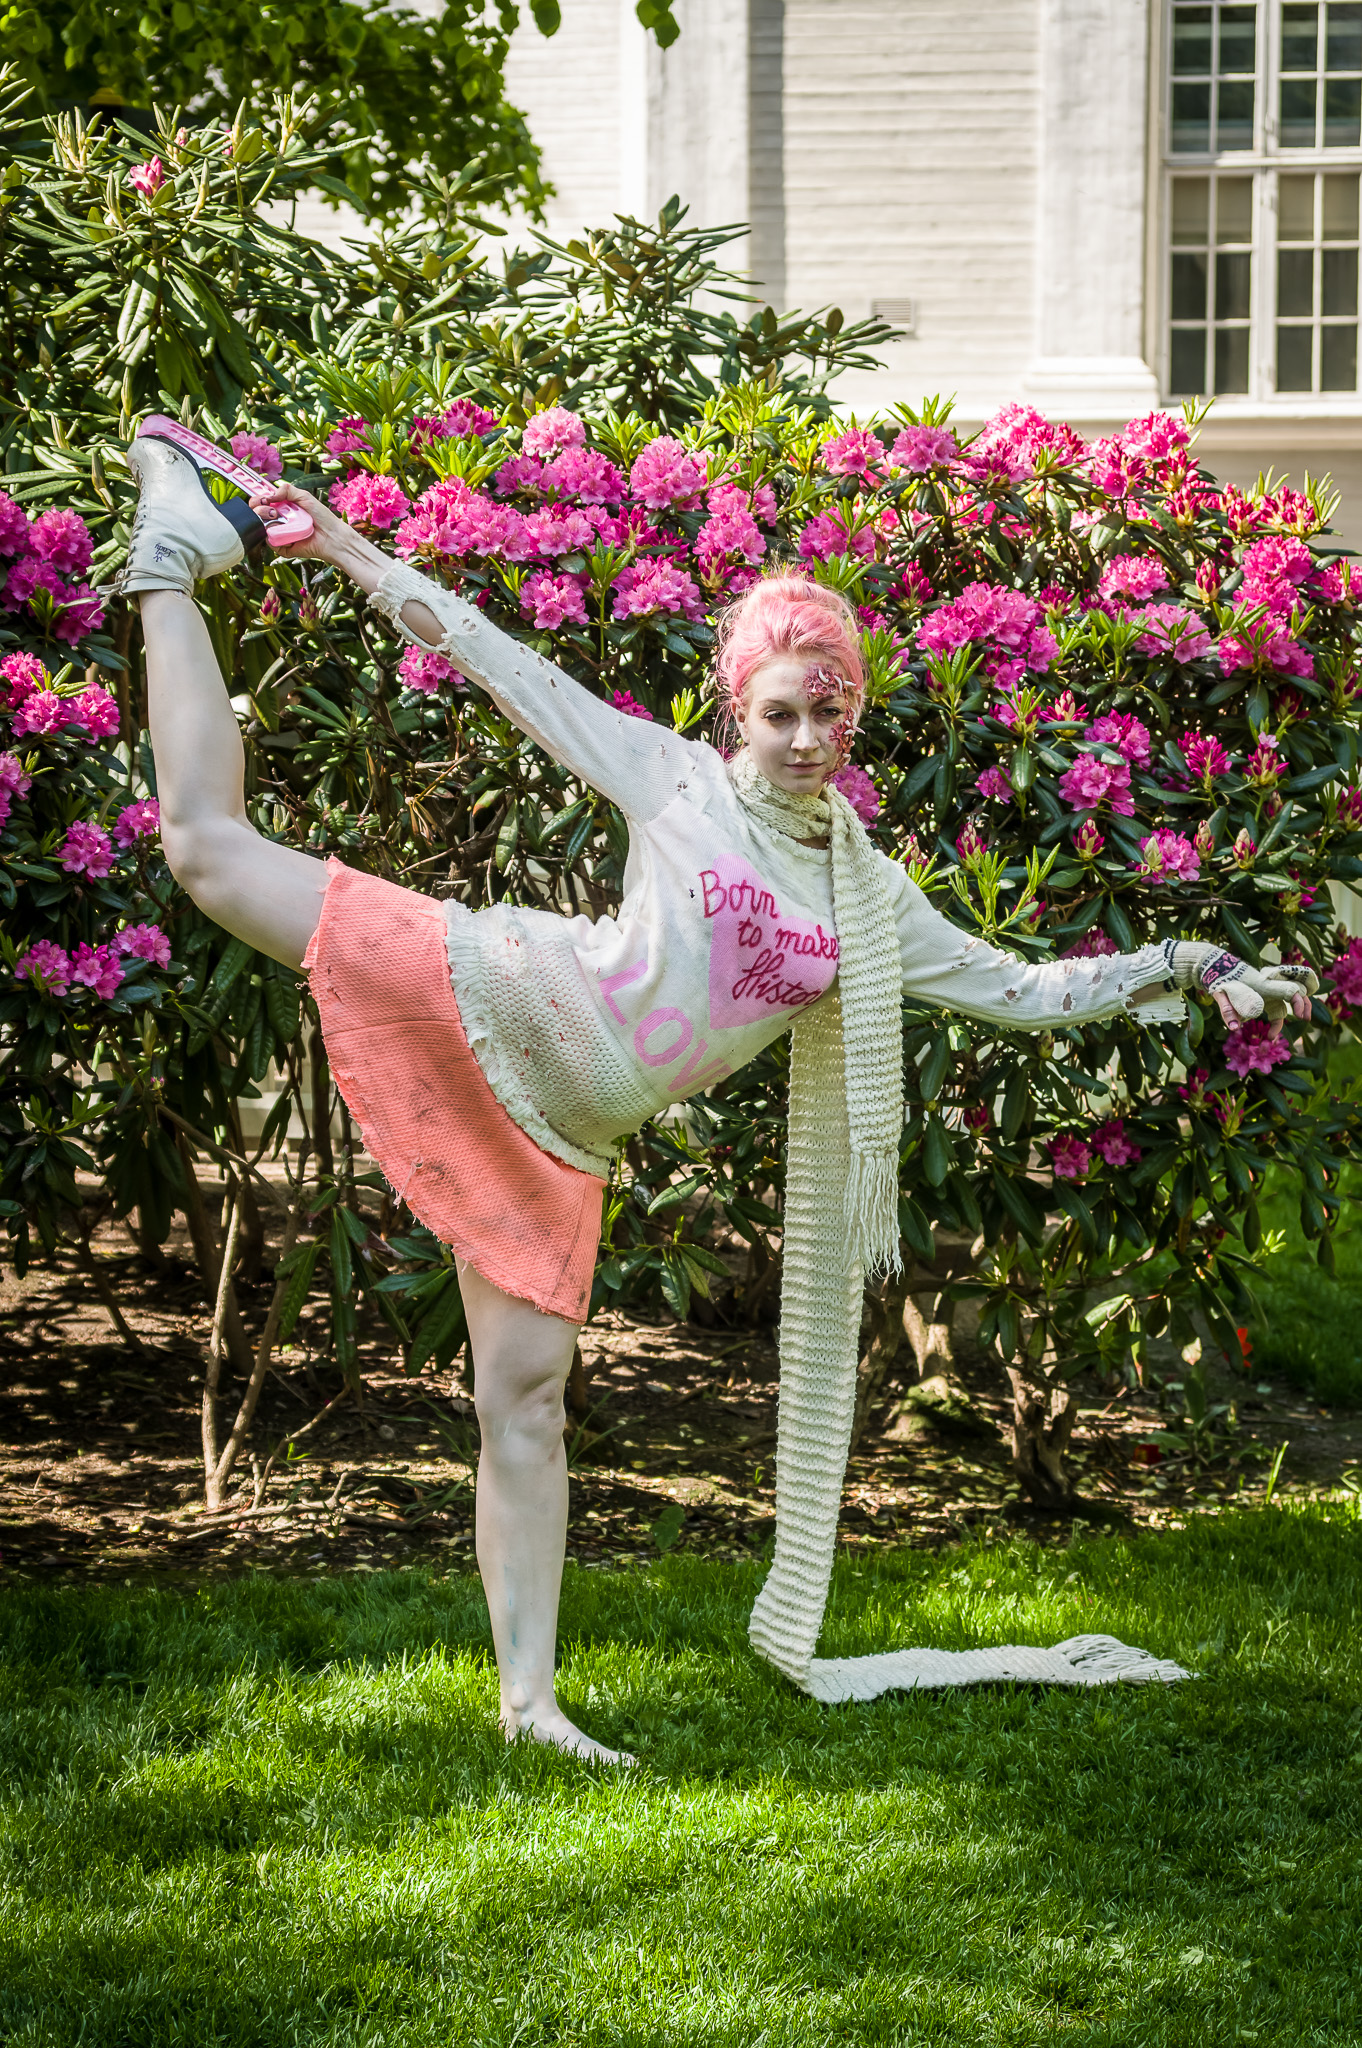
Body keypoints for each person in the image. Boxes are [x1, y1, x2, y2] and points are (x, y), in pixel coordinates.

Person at [119, 426, 1317, 1753]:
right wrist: (344, 547)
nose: (805, 739)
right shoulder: (675, 781)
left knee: (522, 1406)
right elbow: (498, 661)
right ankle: (170, 549)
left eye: (828, 713)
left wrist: (1189, 964)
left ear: (854, 714)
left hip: (561, 1134)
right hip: (491, 991)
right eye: (778, 714)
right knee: (208, 853)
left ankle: (528, 1709)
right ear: (737, 710)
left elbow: (1021, 988)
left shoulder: (869, 898)